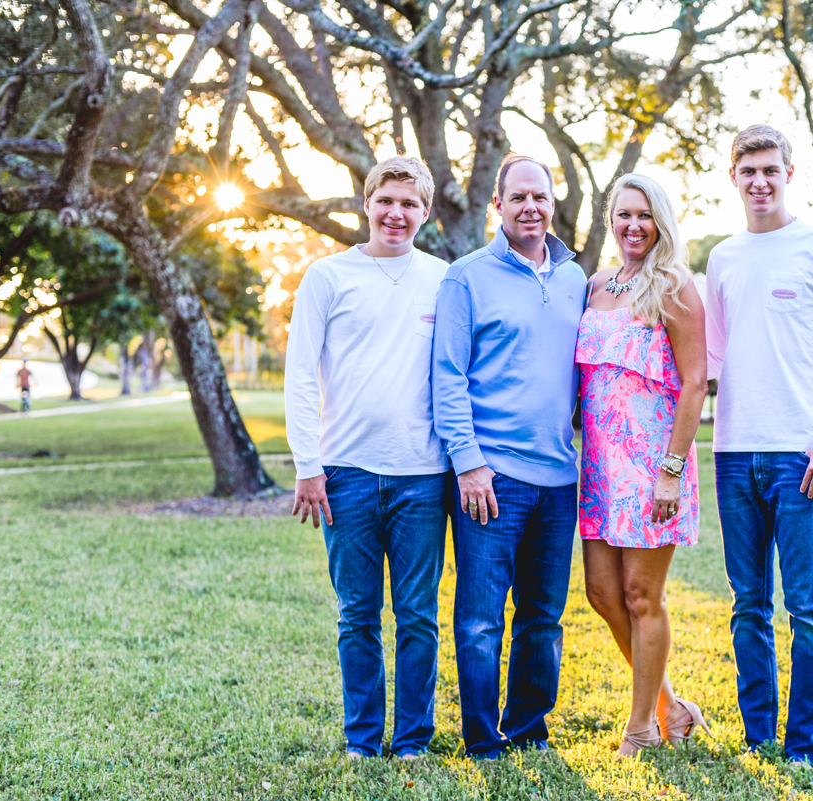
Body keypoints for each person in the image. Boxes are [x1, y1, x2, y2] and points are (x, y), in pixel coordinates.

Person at [705, 125, 813, 764]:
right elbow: (713, 358)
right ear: (735, 178)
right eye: (749, 172)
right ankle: (757, 736)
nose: (760, 182)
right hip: (733, 453)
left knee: (805, 608)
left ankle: (803, 746)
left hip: (803, 457)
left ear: (789, 174)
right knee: (748, 605)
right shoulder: (723, 257)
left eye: (771, 170)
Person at [285, 155, 450, 760]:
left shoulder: (443, 279)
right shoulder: (327, 276)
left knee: (417, 617)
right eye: (386, 200)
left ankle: (411, 739)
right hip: (345, 474)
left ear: (425, 214)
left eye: (409, 204)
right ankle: (362, 739)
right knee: (357, 614)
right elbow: (300, 374)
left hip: (424, 477)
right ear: (367, 203)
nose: (396, 214)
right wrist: (308, 464)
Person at [431, 153, 586, 759]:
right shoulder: (465, 277)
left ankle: (528, 728)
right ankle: (482, 739)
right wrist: (468, 464)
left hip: (558, 478)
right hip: (491, 477)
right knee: (479, 620)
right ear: (498, 205)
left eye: (540, 198)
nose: (530, 207)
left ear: (552, 204)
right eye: (517, 197)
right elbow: (447, 376)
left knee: (543, 619)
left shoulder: (576, 278)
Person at [576, 174, 711, 756]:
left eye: (645, 215)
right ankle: (674, 708)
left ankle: (643, 729)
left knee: (640, 596)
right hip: (600, 468)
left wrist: (672, 471)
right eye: (624, 214)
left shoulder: (676, 286)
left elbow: (695, 382)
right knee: (602, 595)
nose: (634, 226)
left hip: (656, 466)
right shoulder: (596, 285)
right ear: (612, 219)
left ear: (661, 222)